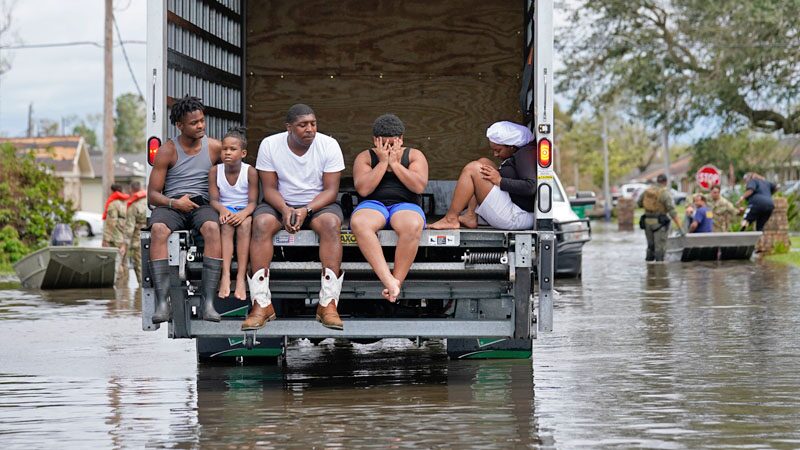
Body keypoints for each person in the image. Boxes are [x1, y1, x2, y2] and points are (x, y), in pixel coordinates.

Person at [244, 104, 346, 331]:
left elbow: (331, 191)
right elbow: (269, 189)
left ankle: (328, 304)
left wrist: (306, 210)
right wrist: (285, 209)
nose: (310, 129)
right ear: (289, 128)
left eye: (313, 123)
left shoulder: (328, 145)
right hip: (279, 203)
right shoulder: (270, 145)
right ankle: (261, 304)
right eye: (303, 125)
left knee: (331, 224)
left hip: (319, 205)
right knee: (260, 224)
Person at [147, 96, 223, 323]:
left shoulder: (215, 148)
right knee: (158, 230)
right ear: (179, 125)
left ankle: (208, 303)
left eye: (202, 120)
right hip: (173, 205)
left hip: (202, 205)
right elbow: (152, 195)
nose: (200, 125)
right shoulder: (167, 150)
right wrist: (175, 203)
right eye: (194, 123)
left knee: (212, 227)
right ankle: (163, 303)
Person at [350, 114, 429, 302]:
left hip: (405, 205)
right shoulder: (365, 157)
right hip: (373, 204)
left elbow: (418, 186)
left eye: (393, 144)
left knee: (412, 225)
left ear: (401, 139)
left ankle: (396, 282)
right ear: (374, 141)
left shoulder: (414, 155)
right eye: (383, 144)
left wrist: (395, 163)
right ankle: (388, 280)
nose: (388, 148)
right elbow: (363, 188)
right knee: (359, 223)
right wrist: (383, 162)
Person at [429, 121, 536, 230]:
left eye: (498, 150)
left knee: (472, 169)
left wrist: (500, 181)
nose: (495, 154)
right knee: (483, 162)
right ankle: (470, 215)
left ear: (512, 147)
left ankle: (450, 219)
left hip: (517, 216)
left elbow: (531, 186)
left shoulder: (524, 154)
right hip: (515, 208)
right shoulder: (519, 153)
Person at [209, 126, 258, 301]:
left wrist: (244, 214)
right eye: (224, 149)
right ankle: (226, 275)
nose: (227, 153)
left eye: (232, 149)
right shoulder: (216, 171)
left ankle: (240, 279)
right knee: (226, 227)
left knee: (245, 226)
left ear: (243, 153)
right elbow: (214, 200)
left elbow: (253, 202)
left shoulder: (250, 171)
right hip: (225, 210)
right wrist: (223, 210)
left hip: (244, 211)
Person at [637, 174, 682, 262]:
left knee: (650, 246)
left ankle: (649, 269)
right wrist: (680, 227)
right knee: (660, 247)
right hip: (659, 223)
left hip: (647, 222)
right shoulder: (664, 193)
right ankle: (660, 270)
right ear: (665, 182)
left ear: (657, 181)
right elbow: (672, 211)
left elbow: (639, 203)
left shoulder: (647, 191)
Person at [120, 181, 147, 286]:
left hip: (139, 239)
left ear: (131, 190)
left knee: (139, 263)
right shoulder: (151, 202)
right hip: (155, 237)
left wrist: (124, 244)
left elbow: (129, 228)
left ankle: (142, 288)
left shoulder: (134, 206)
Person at [102, 184, 129, 287]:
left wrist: (106, 239)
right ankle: (126, 290)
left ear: (112, 191)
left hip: (115, 238)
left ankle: (118, 288)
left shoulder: (113, 204)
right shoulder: (126, 203)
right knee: (125, 264)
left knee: (116, 264)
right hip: (125, 239)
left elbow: (111, 223)